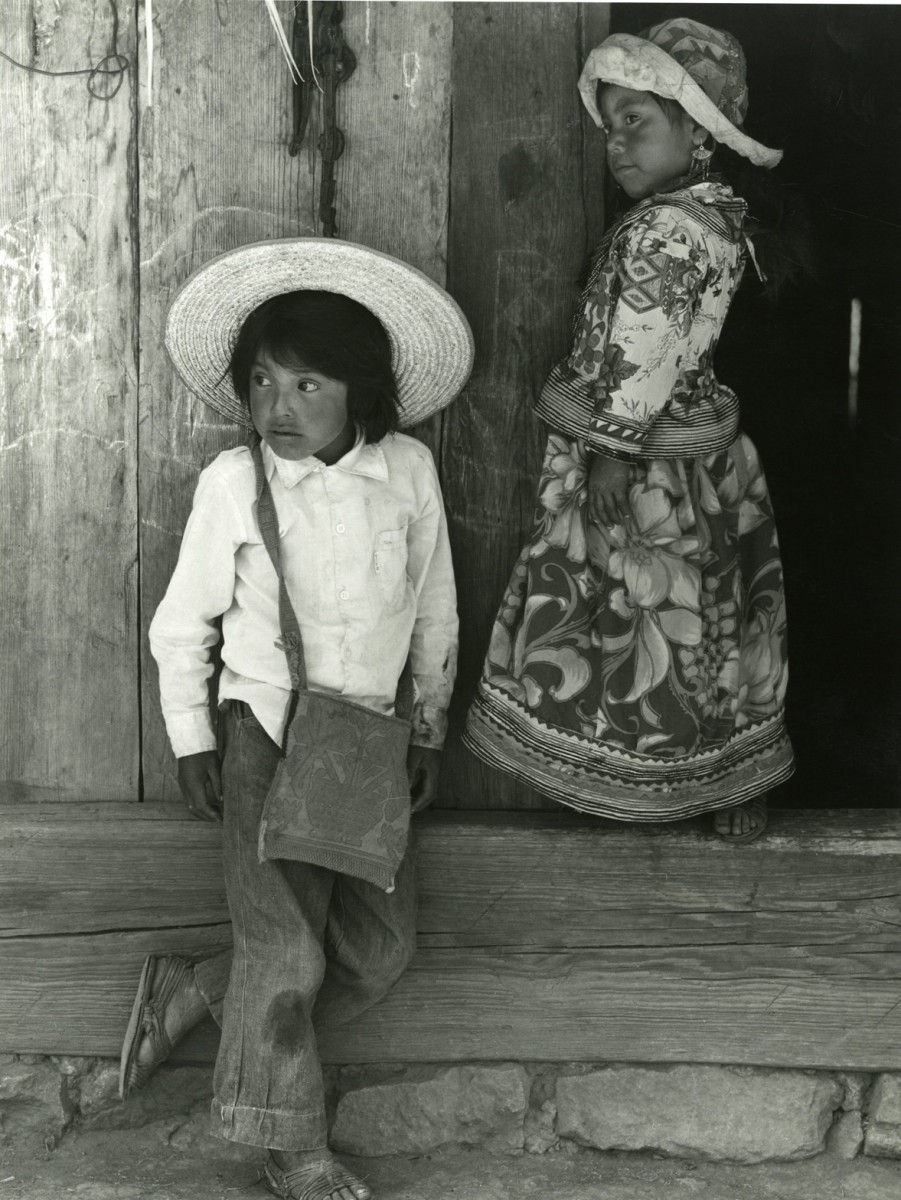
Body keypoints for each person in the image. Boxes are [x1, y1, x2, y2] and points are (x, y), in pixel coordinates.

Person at [119, 239, 473, 1200]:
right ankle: (294, 1150)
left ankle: (198, 987)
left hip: (368, 742)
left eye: (307, 382)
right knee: (284, 949)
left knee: (376, 951)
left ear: (359, 387)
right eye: (263, 382)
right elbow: (179, 624)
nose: (278, 407)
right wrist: (193, 738)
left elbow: (435, 606)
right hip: (264, 738)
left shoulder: (408, 473)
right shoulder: (234, 485)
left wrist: (431, 728)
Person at [464, 18, 795, 842]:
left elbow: (643, 348)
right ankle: (719, 774)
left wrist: (609, 453)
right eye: (610, 125)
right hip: (696, 458)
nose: (616, 143)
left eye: (636, 122)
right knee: (709, 618)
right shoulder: (712, 220)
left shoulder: (663, 230)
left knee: (639, 613)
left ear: (699, 132)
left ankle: (636, 775)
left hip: (646, 468)